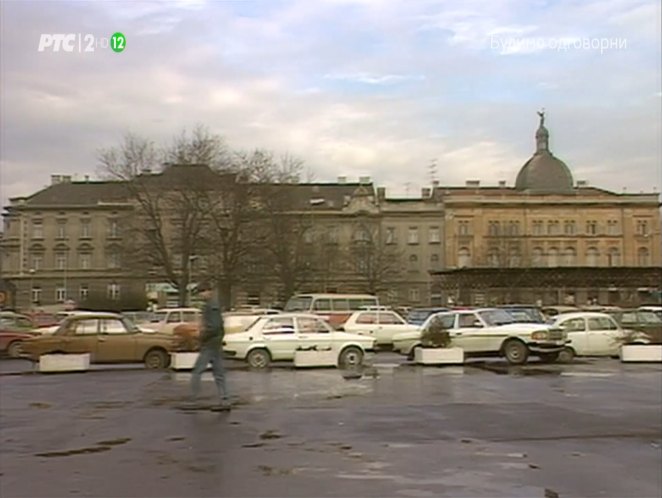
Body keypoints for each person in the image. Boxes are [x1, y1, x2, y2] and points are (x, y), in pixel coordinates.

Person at [188, 280, 231, 411]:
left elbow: (214, 326)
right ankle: (225, 400)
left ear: (209, 291)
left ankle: (193, 400)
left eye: (202, 292)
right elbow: (220, 327)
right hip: (215, 343)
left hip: (210, 343)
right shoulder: (213, 305)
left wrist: (201, 337)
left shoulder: (210, 306)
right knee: (219, 373)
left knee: (197, 371)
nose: (201, 295)